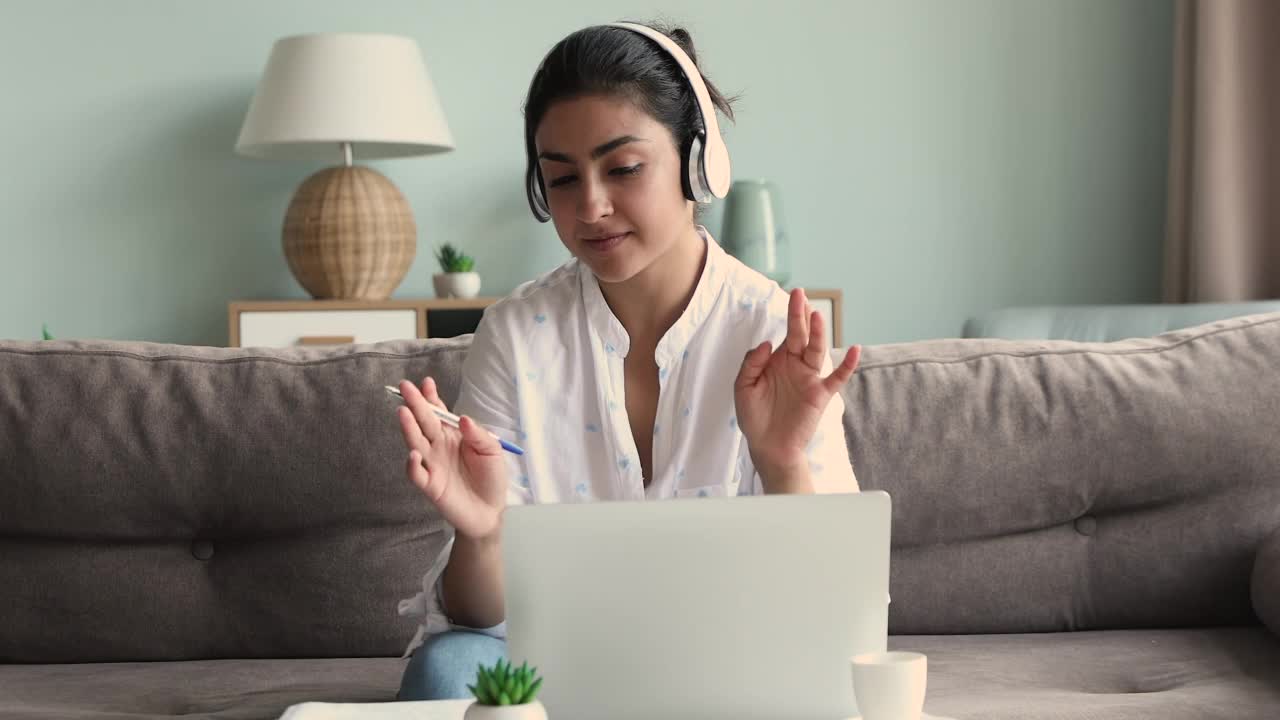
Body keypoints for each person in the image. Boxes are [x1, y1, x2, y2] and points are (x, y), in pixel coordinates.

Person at [394, 19, 862, 701]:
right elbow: (476, 618)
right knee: (444, 672)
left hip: (723, 661)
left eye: (624, 168)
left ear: (696, 162)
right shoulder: (516, 333)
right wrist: (487, 534)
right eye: (561, 179)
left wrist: (784, 461)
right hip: (540, 673)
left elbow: (830, 620)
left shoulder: (770, 330)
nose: (591, 206)